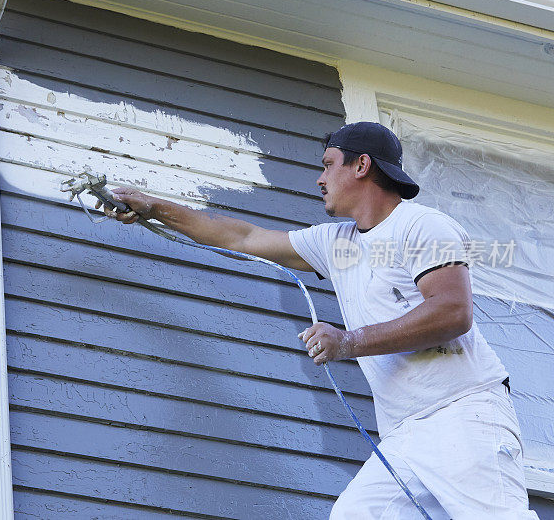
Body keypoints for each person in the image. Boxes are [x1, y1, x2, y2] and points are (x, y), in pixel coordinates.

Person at [95, 122, 539, 519]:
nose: (320, 178)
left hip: (462, 414)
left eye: (329, 165)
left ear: (362, 165)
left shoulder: (421, 225)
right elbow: (243, 236)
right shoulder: (338, 243)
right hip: (405, 436)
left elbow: (451, 312)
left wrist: (348, 342)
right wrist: (157, 209)